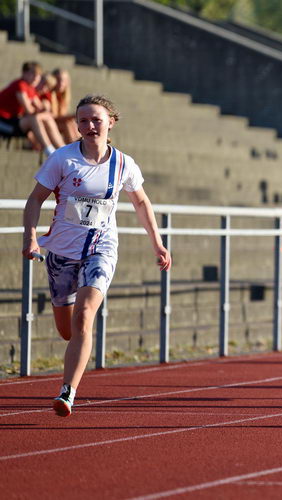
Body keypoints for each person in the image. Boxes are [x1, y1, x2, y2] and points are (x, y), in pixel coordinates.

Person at [21, 94, 171, 417]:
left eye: (96, 120)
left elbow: (142, 203)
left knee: (84, 316)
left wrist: (157, 242)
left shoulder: (123, 164)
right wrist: (31, 237)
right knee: (68, 329)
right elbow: (35, 200)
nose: (90, 126)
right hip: (61, 252)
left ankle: (67, 392)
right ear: (76, 125)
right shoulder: (63, 159)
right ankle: (74, 348)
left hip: (101, 249)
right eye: (84, 121)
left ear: (110, 123)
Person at [0, 61, 65, 156]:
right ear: (23, 73)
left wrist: (45, 110)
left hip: (13, 121)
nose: (35, 77)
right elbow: (29, 111)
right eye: (32, 73)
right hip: (3, 122)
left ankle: (63, 150)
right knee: (33, 119)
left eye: (38, 75)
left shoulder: (30, 88)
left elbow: (41, 109)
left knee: (47, 118)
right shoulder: (20, 85)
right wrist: (43, 113)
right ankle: (50, 151)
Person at [51, 69, 80, 143]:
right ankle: (74, 149)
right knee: (67, 123)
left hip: (57, 124)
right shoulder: (50, 94)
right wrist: (73, 116)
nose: (61, 83)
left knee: (72, 123)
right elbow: (53, 118)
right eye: (58, 80)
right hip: (49, 125)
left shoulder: (63, 96)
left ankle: (79, 145)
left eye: (64, 80)